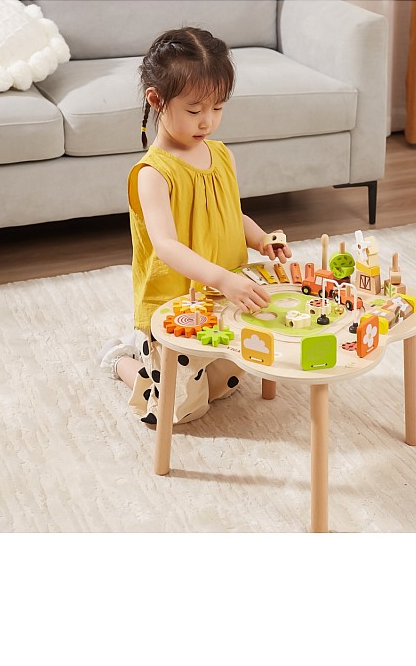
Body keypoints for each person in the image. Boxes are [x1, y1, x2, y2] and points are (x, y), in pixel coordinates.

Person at [99, 27, 292, 425]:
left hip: (224, 295)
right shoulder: (152, 173)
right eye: (194, 110)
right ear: (156, 100)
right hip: (178, 302)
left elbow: (231, 213)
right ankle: (122, 360)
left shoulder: (221, 155)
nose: (208, 121)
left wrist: (261, 239)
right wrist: (222, 278)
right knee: (177, 410)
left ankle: (164, 363)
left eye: (218, 108)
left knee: (228, 382)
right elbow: (166, 246)